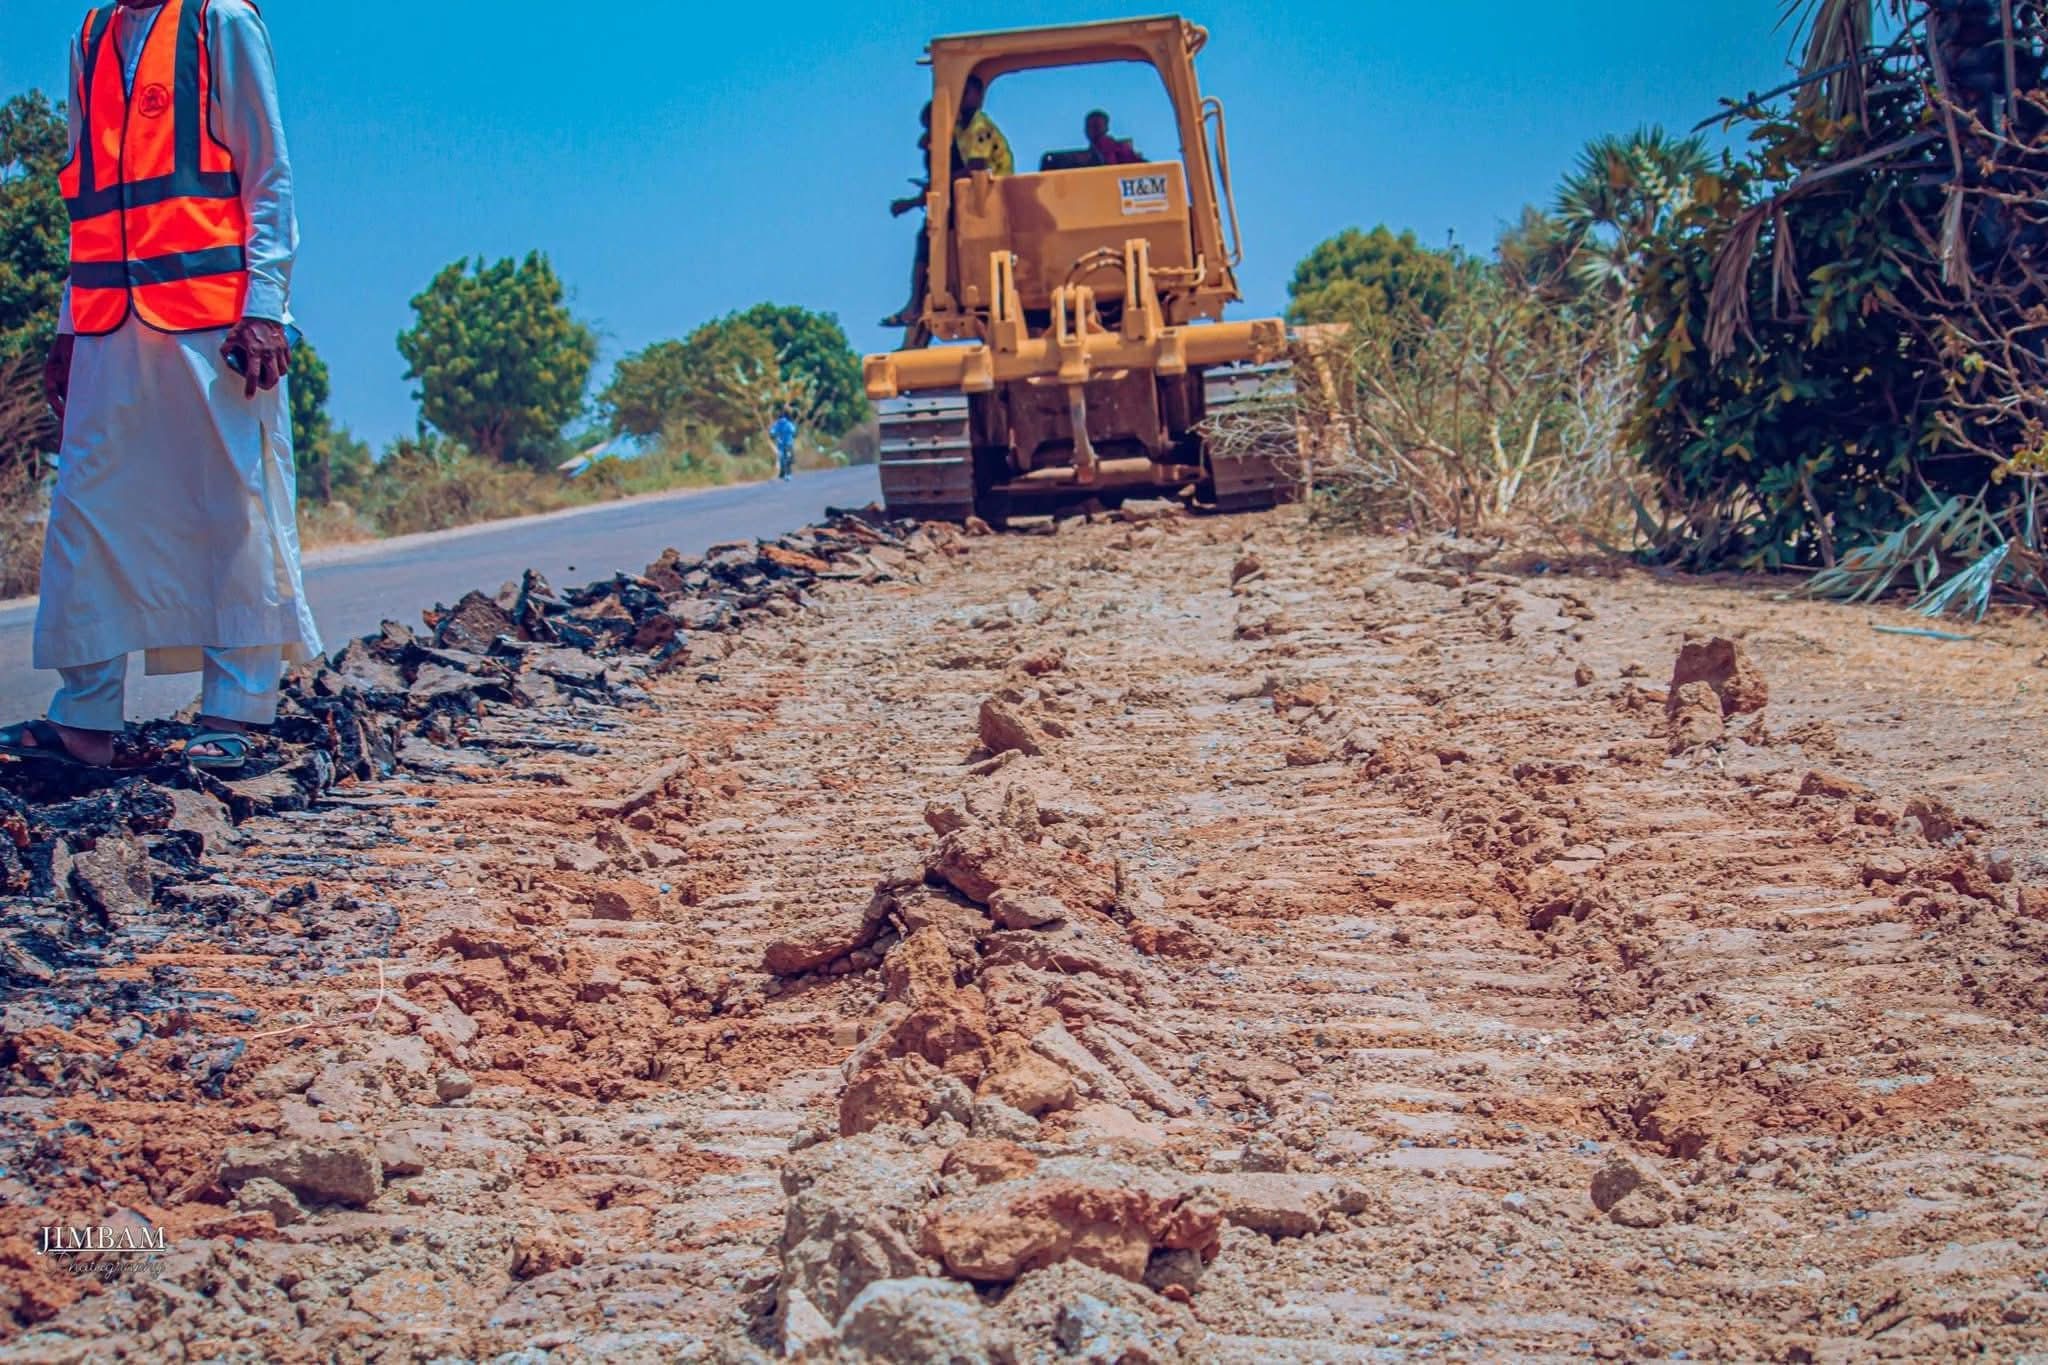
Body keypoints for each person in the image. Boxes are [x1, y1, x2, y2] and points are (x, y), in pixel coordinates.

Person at [0, 0, 316, 772]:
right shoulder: (90, 38)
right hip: (108, 320)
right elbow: (88, 200)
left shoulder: (220, 20)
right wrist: (69, 327)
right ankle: (84, 719)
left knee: (231, 504)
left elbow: (268, 177)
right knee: (87, 512)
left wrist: (265, 307)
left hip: (215, 321)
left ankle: (235, 710)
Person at [953, 75, 1013, 178]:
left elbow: (977, 166)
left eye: (965, 92)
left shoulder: (981, 126)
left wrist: (947, 179)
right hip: (982, 181)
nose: (960, 97)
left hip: (999, 181)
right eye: (957, 93)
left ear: (978, 96)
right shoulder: (959, 126)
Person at [770, 410, 798, 482]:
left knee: (781, 458)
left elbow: (772, 433)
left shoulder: (776, 424)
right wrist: (794, 435)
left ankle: (782, 472)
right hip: (789, 443)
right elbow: (794, 432)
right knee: (789, 458)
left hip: (780, 444)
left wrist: (773, 436)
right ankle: (788, 474)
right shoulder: (789, 423)